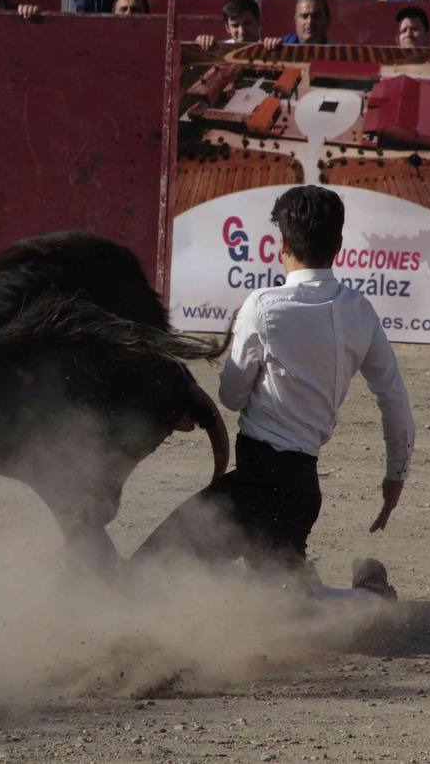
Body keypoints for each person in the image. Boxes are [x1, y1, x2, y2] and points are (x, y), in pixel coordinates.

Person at [130, 185, 413, 601]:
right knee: (269, 596)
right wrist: (395, 477)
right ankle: (328, 590)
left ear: (282, 245)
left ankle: (370, 601)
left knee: (152, 579)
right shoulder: (360, 311)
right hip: (297, 487)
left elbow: (231, 396)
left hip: (259, 487)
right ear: (338, 245)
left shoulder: (264, 306)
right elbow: (394, 397)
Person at [194, 0, 261, 48]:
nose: (242, 31)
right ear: (227, 28)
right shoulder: (218, 50)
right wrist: (200, 46)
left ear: (258, 22)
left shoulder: (267, 49)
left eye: (247, 23)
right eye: (235, 25)